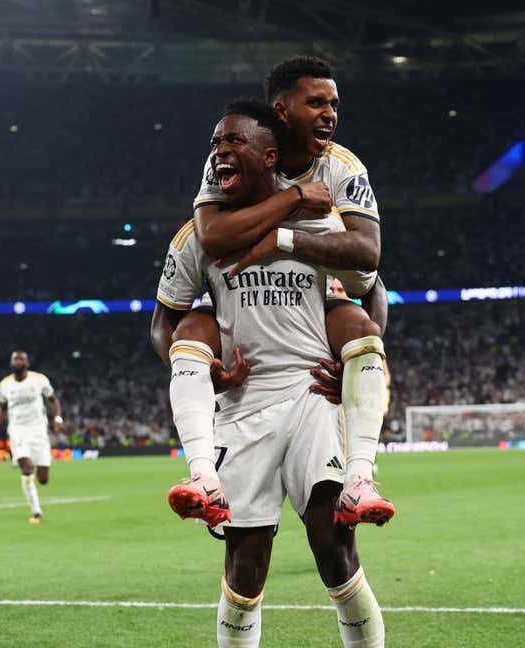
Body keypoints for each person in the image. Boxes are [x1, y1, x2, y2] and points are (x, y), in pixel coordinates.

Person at [151, 99, 385, 648]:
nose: (219, 152)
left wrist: (358, 364)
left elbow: (371, 287)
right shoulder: (197, 237)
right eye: (215, 143)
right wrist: (202, 369)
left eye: (233, 142)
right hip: (242, 404)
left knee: (335, 547)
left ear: (269, 155)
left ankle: (362, 476)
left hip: (310, 398)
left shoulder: (318, 223)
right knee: (246, 561)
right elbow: (163, 324)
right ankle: (201, 473)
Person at [167, 55, 394, 529]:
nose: (330, 113)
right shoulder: (230, 158)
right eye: (315, 103)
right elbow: (211, 237)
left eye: (334, 103)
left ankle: (362, 479)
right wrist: (290, 200)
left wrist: (283, 239)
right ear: (282, 110)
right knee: (192, 326)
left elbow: (369, 260)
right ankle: (203, 475)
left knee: (357, 323)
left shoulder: (342, 168)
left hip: (315, 306)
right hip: (240, 316)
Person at [0, 350, 63, 525]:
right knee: (26, 467)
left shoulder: (39, 380)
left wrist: (57, 418)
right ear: (11, 363)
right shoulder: (4, 385)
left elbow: (52, 399)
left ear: (27, 363)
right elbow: (3, 407)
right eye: (15, 359)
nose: (18, 361)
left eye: (21, 359)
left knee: (43, 479)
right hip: (17, 430)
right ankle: (36, 511)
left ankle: (34, 475)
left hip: (38, 430)